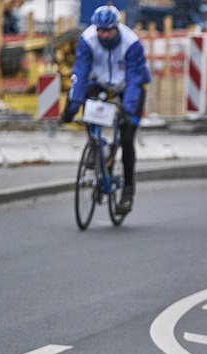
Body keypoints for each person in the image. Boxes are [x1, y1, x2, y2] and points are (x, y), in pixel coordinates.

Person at [61, 4, 151, 215]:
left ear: (117, 28)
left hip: (129, 87)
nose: (105, 35)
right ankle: (95, 146)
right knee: (86, 100)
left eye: (109, 30)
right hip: (101, 83)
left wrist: (128, 111)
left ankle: (128, 190)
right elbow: (80, 74)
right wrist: (72, 108)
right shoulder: (87, 40)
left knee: (127, 138)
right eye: (101, 30)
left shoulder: (131, 43)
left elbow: (134, 79)